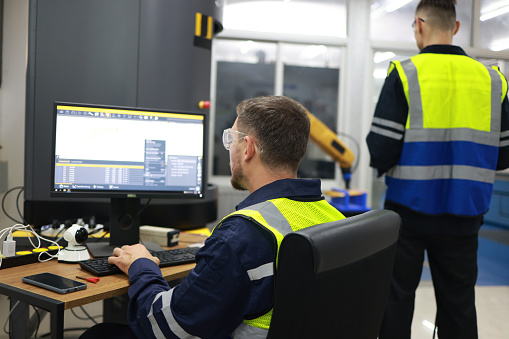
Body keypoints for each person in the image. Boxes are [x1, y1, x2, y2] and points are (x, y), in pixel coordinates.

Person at [94, 96, 345, 339]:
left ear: (247, 148)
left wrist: (141, 266)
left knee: (99, 334)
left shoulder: (242, 235)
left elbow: (164, 327)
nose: (229, 149)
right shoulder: (334, 218)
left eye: (231, 139)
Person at [366, 0, 509, 338]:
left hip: (408, 212)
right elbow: (503, 157)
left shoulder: (404, 73)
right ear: (455, 27)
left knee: (396, 299)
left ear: (418, 24)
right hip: (465, 214)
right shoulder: (492, 80)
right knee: (458, 303)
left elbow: (380, 149)